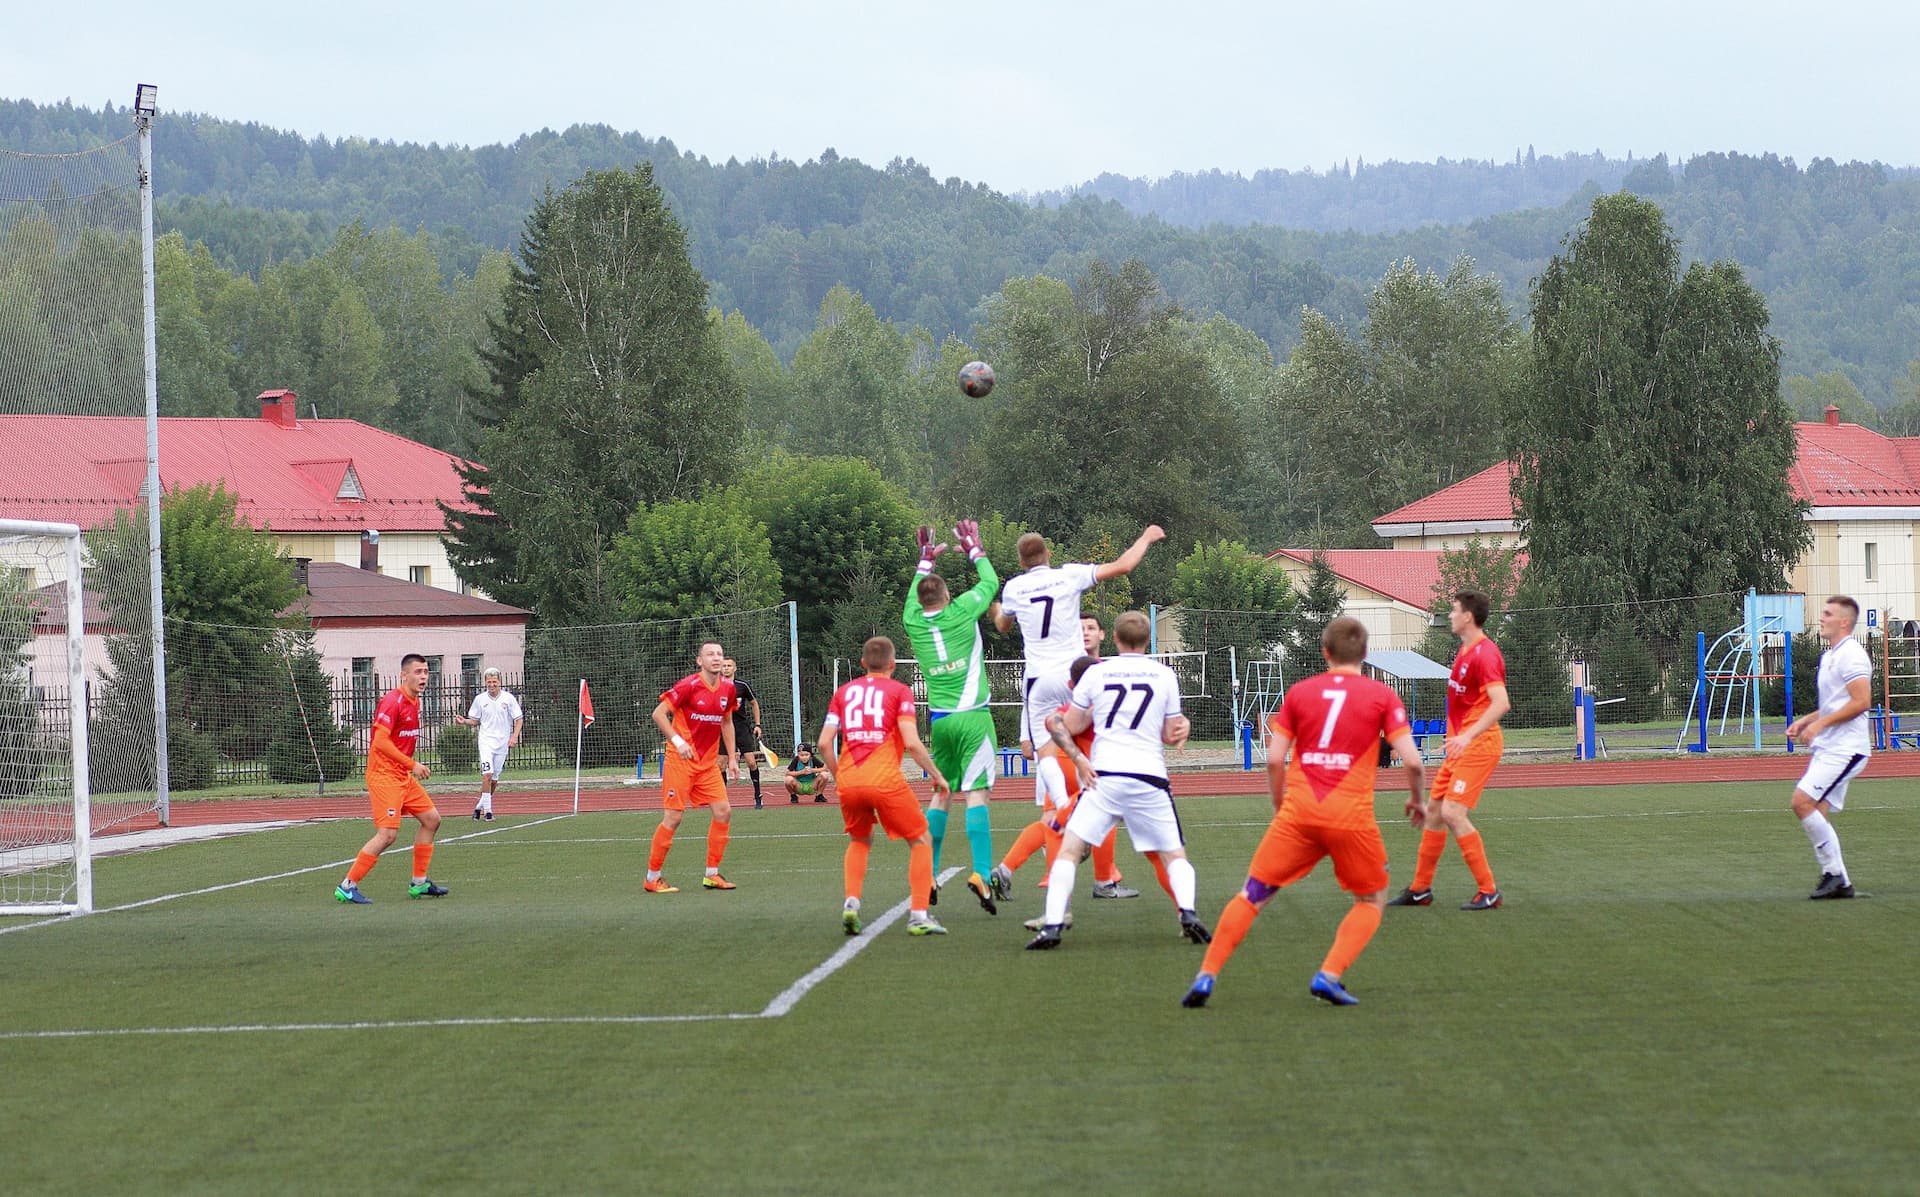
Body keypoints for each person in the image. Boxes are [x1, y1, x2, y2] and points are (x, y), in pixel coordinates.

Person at [1182, 616, 1427, 1009]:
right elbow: (1413, 763)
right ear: (1365, 654)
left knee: (1251, 896)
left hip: (1298, 815)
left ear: (1325, 652)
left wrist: (1281, 805)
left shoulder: (1299, 692)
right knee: (1371, 900)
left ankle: (1206, 976)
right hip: (1351, 820)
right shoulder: (1382, 696)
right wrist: (1417, 800)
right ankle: (1328, 975)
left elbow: (1275, 760)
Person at [1026, 610, 1210, 950]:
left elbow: (1069, 724)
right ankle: (1188, 913)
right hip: (1149, 777)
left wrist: (1079, 757)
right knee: (1174, 854)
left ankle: (1052, 926)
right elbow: (1171, 734)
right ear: (1148, 639)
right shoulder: (1164, 674)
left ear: (1114, 638)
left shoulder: (1098, 674)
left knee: (1068, 850)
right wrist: (1182, 728)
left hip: (1105, 776)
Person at [901, 518, 1002, 914]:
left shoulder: (913, 620)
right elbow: (991, 583)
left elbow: (915, 596)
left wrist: (923, 562)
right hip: (974, 718)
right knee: (977, 793)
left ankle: (928, 873)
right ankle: (980, 872)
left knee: (942, 792)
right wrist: (975, 549)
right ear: (946, 594)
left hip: (939, 722)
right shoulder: (961, 612)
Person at [996, 524, 1164, 762]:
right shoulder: (1068, 575)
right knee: (1094, 741)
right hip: (1076, 674)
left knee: (1044, 754)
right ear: (1049, 555)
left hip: (1039, 677)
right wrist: (1146, 538)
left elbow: (1003, 625)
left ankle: (1056, 797)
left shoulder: (1014, 587)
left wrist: (997, 612)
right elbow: (1123, 566)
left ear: (1022, 563)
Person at [821, 636, 951, 937]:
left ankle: (851, 903)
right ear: (892, 664)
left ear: (863, 663)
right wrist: (936, 775)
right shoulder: (899, 691)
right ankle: (919, 916)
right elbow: (913, 744)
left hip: (850, 781)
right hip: (884, 780)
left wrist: (840, 775)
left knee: (860, 841)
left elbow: (824, 742)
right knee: (921, 840)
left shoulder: (843, 692)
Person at [1387, 588, 1508, 911]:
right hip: (1461, 747)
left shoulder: (1485, 653)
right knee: (1434, 814)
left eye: (1454, 610)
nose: (1450, 615)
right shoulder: (1465, 651)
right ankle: (1420, 889)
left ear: (1468, 616)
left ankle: (1489, 891)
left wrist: (1466, 737)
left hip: (1479, 746)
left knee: (1453, 813)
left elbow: (1500, 703)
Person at [334, 653, 448, 904]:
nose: (423, 677)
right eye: (418, 672)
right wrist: (413, 764)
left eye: (426, 672)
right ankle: (347, 885)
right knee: (387, 834)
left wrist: (408, 767)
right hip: (384, 776)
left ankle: (419, 883)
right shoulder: (392, 701)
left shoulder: (415, 701)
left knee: (431, 820)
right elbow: (380, 742)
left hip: (401, 776)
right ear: (403, 675)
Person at [1786, 595, 1873, 899]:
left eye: (1827, 613)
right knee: (1816, 810)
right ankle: (1840, 881)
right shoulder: (1831, 656)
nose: (1821, 618)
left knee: (1801, 801)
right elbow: (1835, 703)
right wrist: (1807, 720)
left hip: (1846, 748)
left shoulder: (1852, 655)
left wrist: (1820, 725)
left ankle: (1834, 875)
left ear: (1844, 622)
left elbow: (1862, 702)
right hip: (1831, 746)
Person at [645, 640, 741, 893]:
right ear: (700, 661)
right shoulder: (689, 685)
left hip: (708, 764)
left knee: (723, 811)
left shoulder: (728, 689)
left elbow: (727, 722)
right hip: (681, 761)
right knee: (674, 817)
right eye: (710, 654)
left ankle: (712, 874)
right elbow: (658, 713)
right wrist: (677, 741)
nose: (716, 658)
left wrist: (731, 758)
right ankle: (652, 878)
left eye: (719, 653)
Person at [452, 666, 521, 821]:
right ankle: (488, 812)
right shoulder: (480, 699)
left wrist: (514, 736)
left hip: (502, 742)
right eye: (489, 682)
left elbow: (518, 719)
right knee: (487, 775)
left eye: (494, 682)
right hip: (486, 741)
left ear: (499, 682)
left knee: (494, 779)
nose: (491, 685)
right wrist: (464, 721)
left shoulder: (508, 699)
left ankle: (479, 806)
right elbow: (475, 720)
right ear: (485, 683)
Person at [721, 657, 767, 808]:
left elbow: (754, 703)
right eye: (724, 666)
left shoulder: (742, 685)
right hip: (722, 728)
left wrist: (757, 724)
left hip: (741, 727)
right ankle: (722, 799)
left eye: (729, 666)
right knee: (720, 765)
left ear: (735, 668)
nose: (726, 668)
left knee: (751, 762)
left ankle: (758, 795)